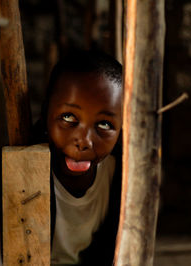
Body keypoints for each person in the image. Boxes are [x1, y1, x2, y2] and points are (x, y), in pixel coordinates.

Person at [33, 50, 123, 265]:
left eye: (104, 125)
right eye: (68, 118)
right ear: (46, 114)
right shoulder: (17, 172)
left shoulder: (120, 177)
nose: (84, 141)